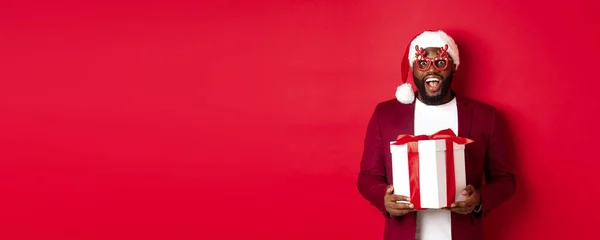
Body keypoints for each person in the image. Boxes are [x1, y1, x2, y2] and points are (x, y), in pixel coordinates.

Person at [356, 30, 516, 240]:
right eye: (423, 64)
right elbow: (367, 177)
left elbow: (506, 181)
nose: (432, 70)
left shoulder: (485, 117)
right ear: (413, 69)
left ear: (453, 66)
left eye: (440, 62)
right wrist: (383, 199)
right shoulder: (385, 115)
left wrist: (478, 200)